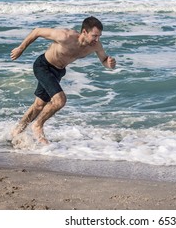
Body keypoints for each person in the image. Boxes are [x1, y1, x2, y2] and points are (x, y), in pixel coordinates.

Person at [10, 16, 116, 144]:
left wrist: (110, 64)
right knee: (60, 100)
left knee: (39, 105)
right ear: (84, 32)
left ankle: (17, 130)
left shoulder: (95, 45)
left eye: (99, 36)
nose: (97, 39)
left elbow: (104, 60)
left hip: (58, 72)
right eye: (94, 35)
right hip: (43, 66)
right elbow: (37, 31)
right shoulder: (65, 36)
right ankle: (38, 125)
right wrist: (21, 48)